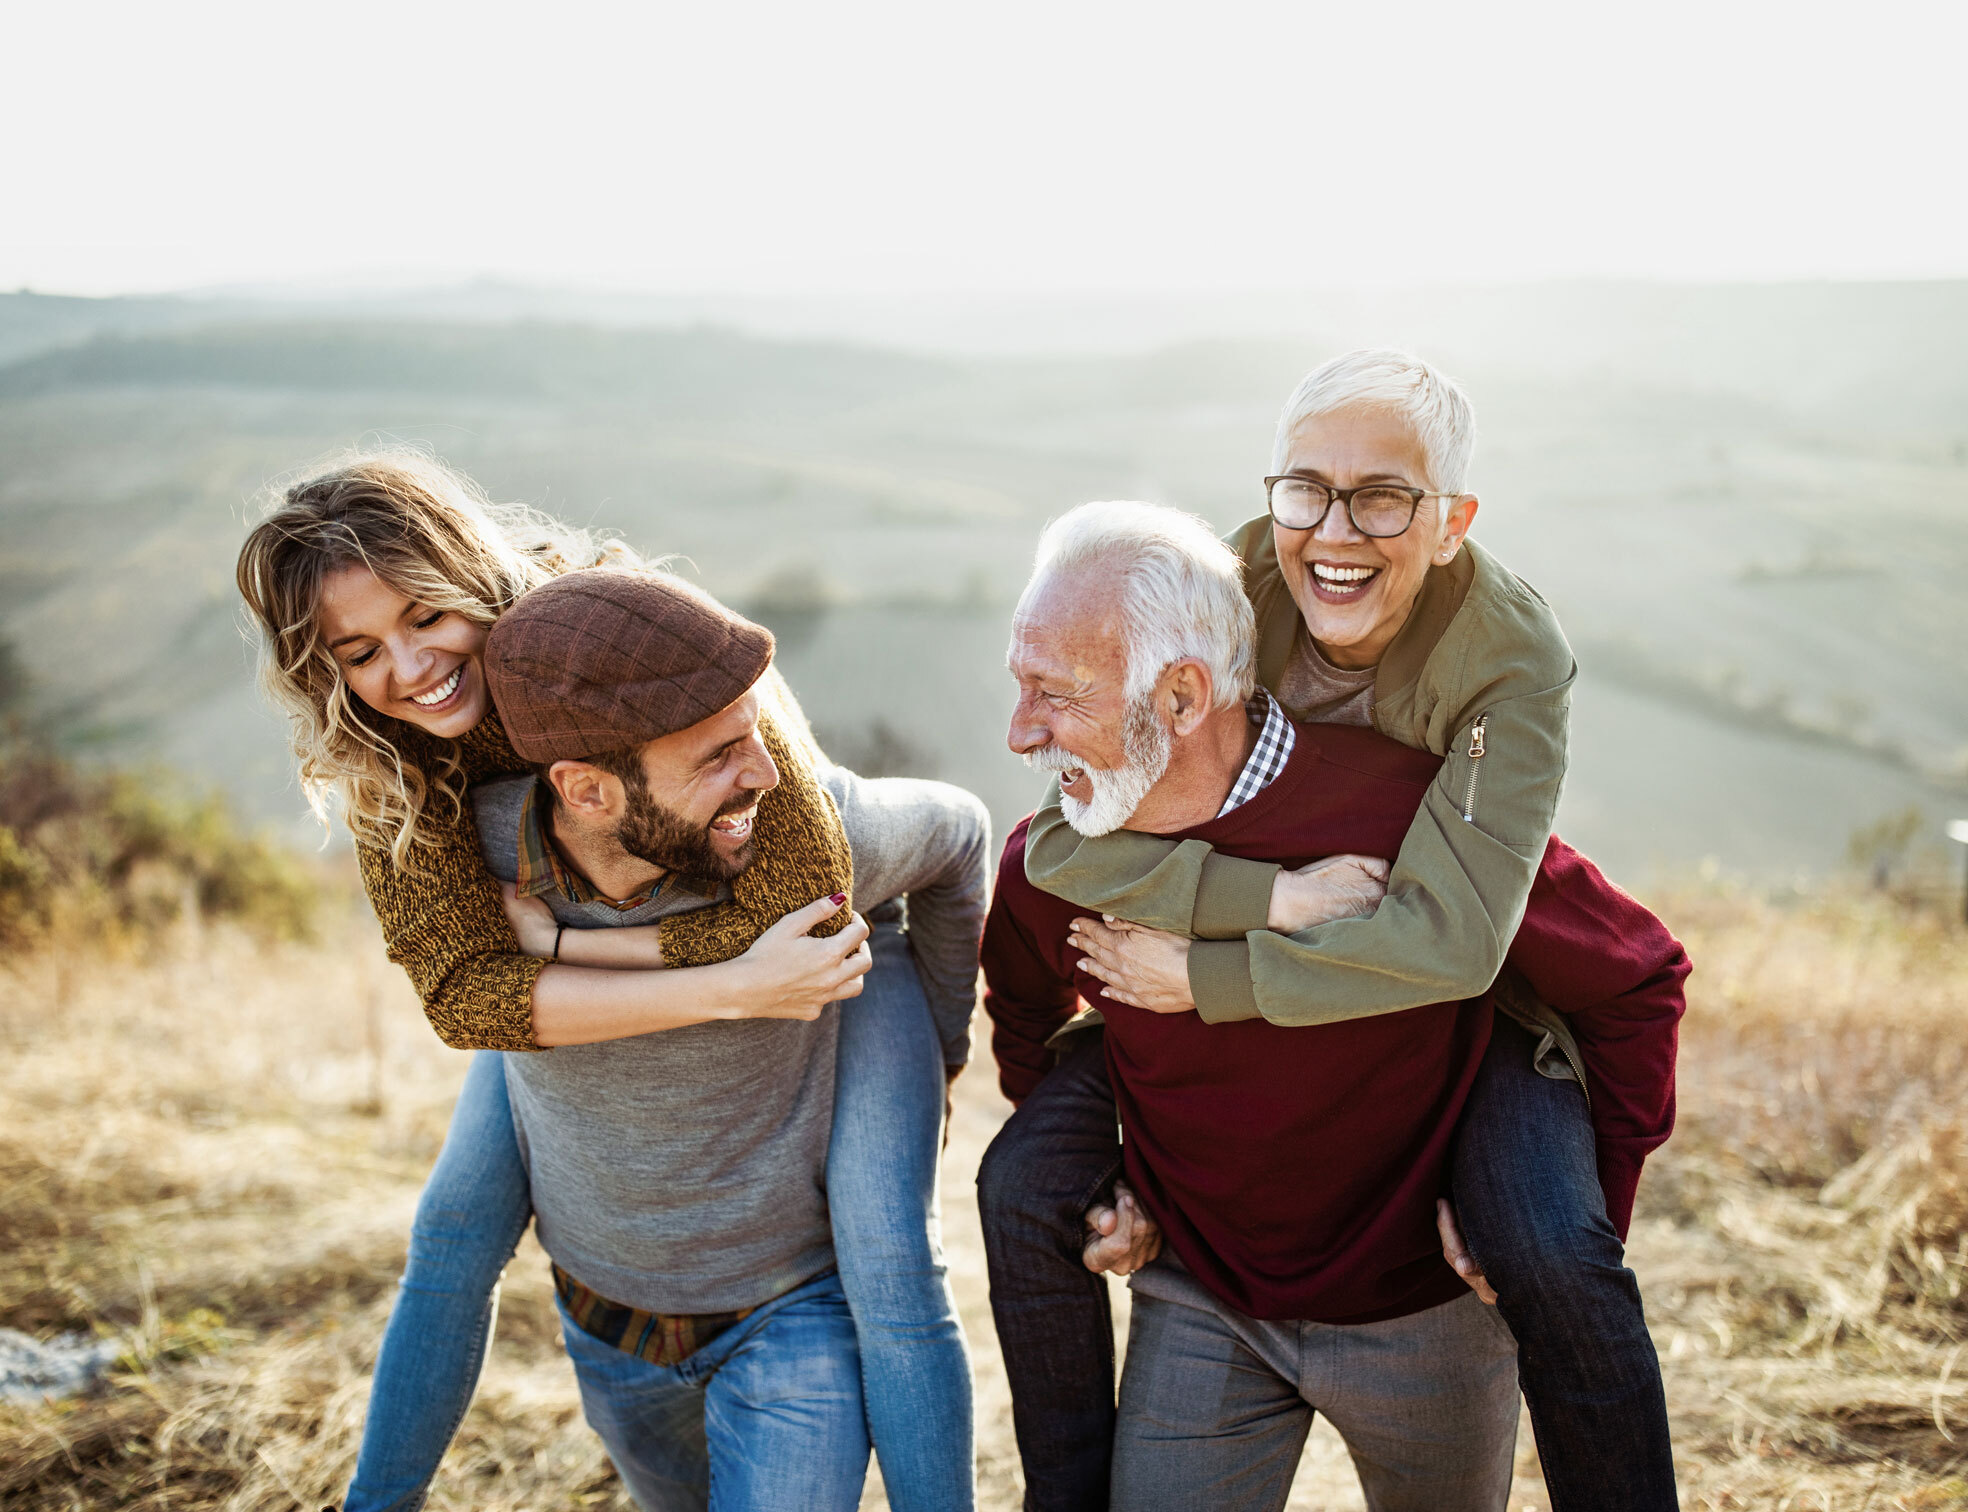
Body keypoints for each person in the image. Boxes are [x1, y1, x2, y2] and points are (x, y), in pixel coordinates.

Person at [979, 380, 1688, 1508]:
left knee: (1553, 1253)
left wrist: (1574, 1216)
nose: (1334, 532)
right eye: (1307, 493)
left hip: (1416, 1273)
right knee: (1019, 1185)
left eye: (1383, 501)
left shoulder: (1445, 766)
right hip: (1207, 1289)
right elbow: (1042, 899)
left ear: (1451, 521)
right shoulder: (1221, 595)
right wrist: (1114, 1155)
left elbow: (1589, 967)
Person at [236, 454, 982, 1512]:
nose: (407, 668)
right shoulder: (391, 761)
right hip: (651, 967)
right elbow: (463, 998)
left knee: (889, 1255)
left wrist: (564, 950)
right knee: (452, 1225)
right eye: (360, 653)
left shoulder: (628, 645)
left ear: (469, 574)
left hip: (818, 942)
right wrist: (640, 966)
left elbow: (795, 901)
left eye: (425, 617)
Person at [464, 567, 988, 1511]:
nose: (768, 774)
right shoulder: (478, 862)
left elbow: (962, 831)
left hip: (794, 1311)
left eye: (759, 731)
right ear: (584, 790)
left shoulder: (818, 844)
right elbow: (456, 989)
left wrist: (942, 1049)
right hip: (602, 1316)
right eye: (718, 756)